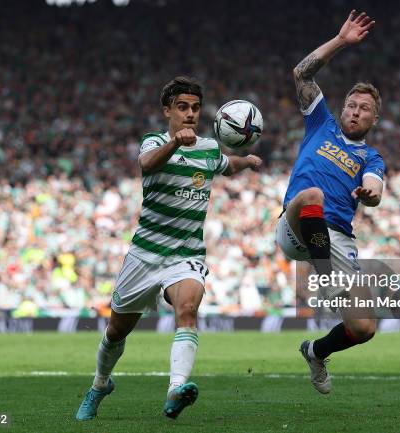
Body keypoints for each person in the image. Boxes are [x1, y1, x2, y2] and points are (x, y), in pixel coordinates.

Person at [76, 76, 262, 420]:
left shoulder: (208, 148)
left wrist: (246, 161)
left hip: (186, 255)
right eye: (182, 107)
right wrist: (176, 143)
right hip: (144, 255)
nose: (190, 114)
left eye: (195, 108)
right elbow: (146, 165)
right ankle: (100, 384)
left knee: (188, 309)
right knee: (116, 331)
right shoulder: (154, 142)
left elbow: (225, 166)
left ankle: (176, 389)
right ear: (167, 111)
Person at [275, 10, 385, 394]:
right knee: (312, 196)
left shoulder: (371, 157)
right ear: (343, 108)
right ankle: (323, 274)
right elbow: (301, 74)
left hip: (337, 239)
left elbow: (374, 186)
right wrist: (341, 41)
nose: (355, 110)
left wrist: (370, 194)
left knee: (363, 328)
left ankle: (316, 351)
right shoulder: (321, 124)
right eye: (352, 104)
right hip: (296, 225)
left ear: (373, 119)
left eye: (364, 109)